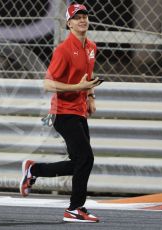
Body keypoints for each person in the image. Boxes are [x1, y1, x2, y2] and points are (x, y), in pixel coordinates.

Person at [19, 3, 101, 223]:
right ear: (69, 23)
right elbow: (47, 84)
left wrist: (90, 96)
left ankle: (33, 170)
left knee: (80, 162)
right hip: (62, 113)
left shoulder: (92, 46)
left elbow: (87, 74)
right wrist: (78, 89)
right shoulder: (63, 50)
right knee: (86, 158)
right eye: (77, 18)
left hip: (79, 111)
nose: (82, 20)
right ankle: (74, 209)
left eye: (84, 16)